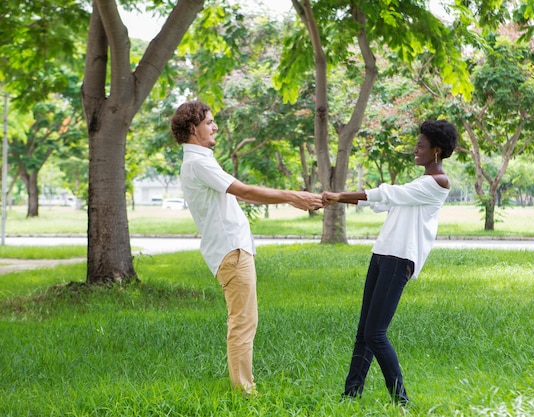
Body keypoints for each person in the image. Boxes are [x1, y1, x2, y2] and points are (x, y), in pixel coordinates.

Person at [171, 100, 323, 396]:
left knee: (244, 320)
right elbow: (244, 190)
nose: (215, 126)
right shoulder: (198, 163)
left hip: (232, 248)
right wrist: (293, 197)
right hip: (231, 251)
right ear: (193, 128)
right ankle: (245, 392)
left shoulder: (201, 160)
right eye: (209, 122)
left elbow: (242, 195)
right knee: (242, 322)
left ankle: (245, 387)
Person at [322, 119, 458, 406]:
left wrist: (337, 196)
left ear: (437, 150)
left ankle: (401, 401)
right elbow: (381, 202)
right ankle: (351, 394)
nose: (415, 150)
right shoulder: (418, 183)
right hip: (382, 255)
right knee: (364, 331)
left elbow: (388, 194)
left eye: (421, 146)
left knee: (375, 333)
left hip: (399, 260)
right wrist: (336, 199)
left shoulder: (437, 183)